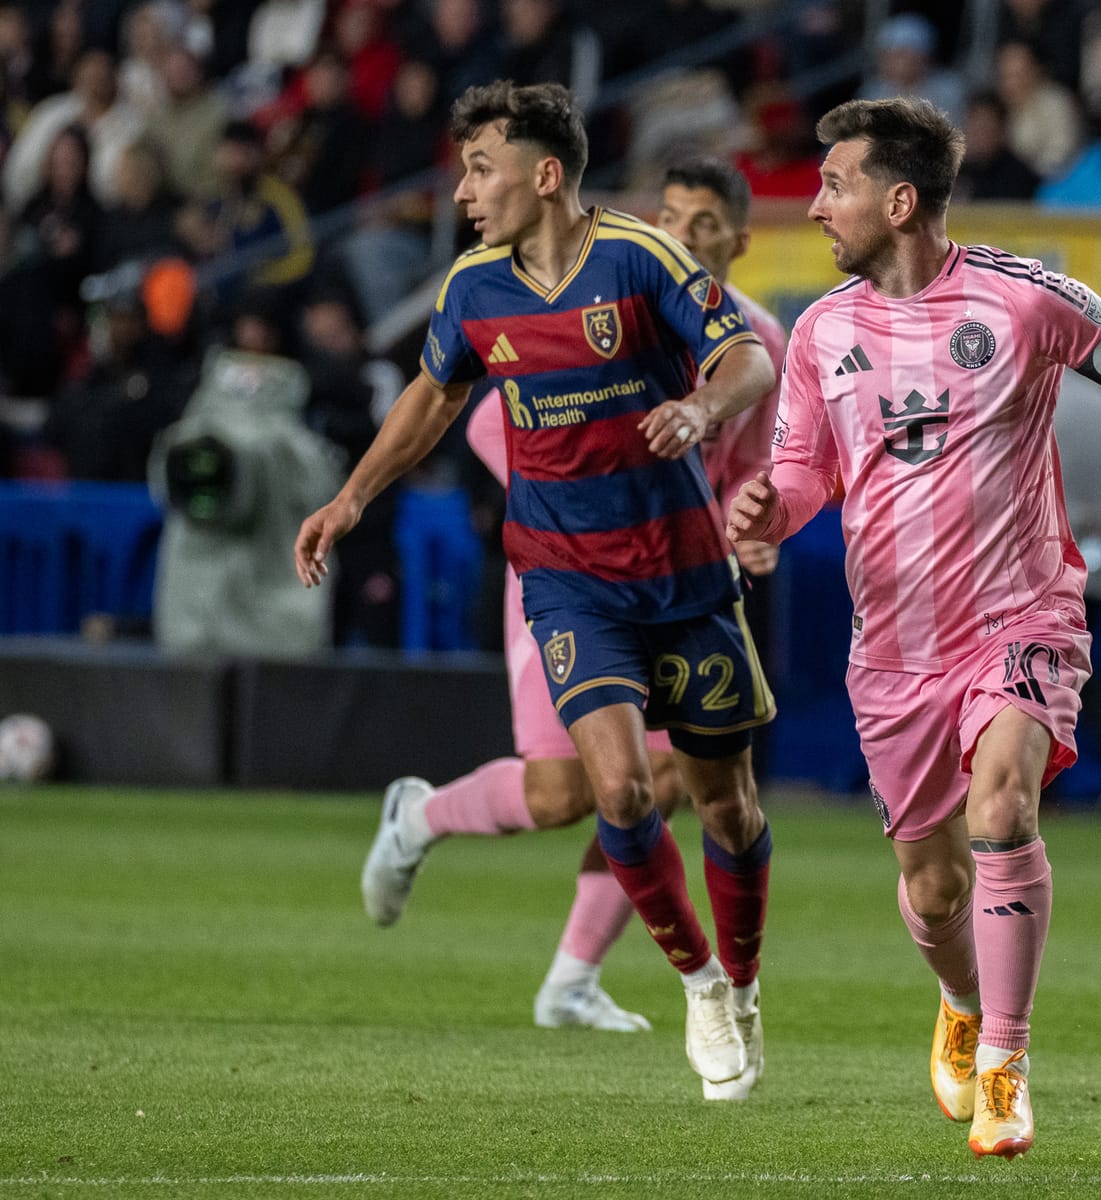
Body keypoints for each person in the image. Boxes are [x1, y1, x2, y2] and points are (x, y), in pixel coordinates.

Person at [725, 97, 1101, 1159]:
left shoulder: (1021, 300)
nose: (820, 205)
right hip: (893, 649)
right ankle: (963, 999)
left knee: (1004, 806)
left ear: (901, 199)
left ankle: (1009, 1066)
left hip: (1020, 614)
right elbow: (803, 471)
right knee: (931, 889)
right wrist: (767, 512)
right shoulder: (824, 331)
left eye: (836, 184)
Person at [292, 82, 780, 1100]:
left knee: (726, 805)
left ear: (545, 175)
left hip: (686, 578)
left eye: (480, 168)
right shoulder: (473, 289)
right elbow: (435, 397)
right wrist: (349, 499)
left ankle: (741, 979)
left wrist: (697, 412)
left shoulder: (638, 259)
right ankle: (692, 987)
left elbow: (744, 359)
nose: (465, 191)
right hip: (567, 584)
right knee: (616, 790)